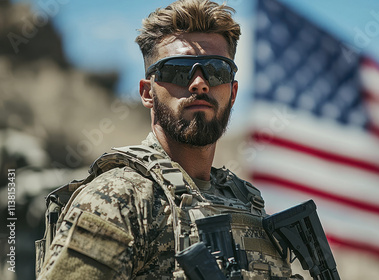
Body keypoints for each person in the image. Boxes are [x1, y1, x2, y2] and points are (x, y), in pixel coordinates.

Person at [36, 0, 303, 279]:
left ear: (233, 92)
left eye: (216, 70)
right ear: (147, 92)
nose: (199, 83)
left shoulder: (249, 202)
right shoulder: (121, 197)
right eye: (177, 69)